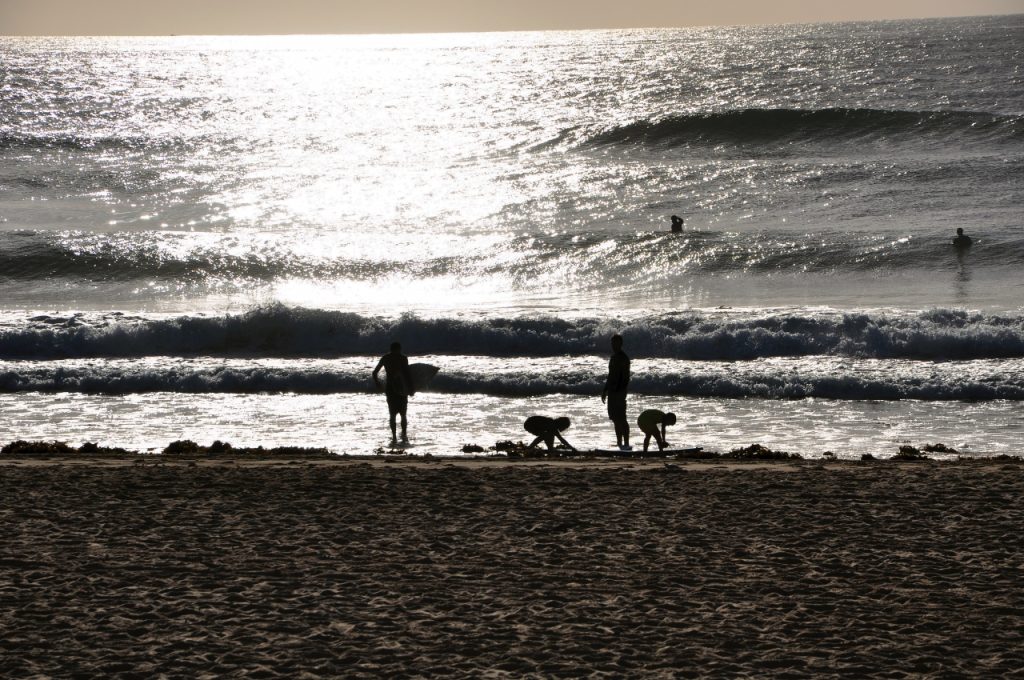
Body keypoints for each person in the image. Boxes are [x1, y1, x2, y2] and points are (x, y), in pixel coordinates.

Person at [372, 341, 410, 444]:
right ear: (398, 349)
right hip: (401, 388)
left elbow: (374, 373)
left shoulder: (385, 358)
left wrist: (378, 383)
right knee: (403, 414)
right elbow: (407, 375)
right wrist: (411, 389)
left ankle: (394, 437)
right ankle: (404, 435)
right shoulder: (403, 358)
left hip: (390, 388)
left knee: (392, 414)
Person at [601, 334, 631, 450]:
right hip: (612, 392)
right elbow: (610, 376)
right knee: (614, 418)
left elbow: (626, 378)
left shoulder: (624, 358)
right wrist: (605, 390)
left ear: (621, 344)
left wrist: (619, 390)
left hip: (619, 393)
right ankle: (619, 442)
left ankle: (626, 443)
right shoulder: (613, 358)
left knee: (622, 418)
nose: (614, 346)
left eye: (616, 343)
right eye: (612, 343)